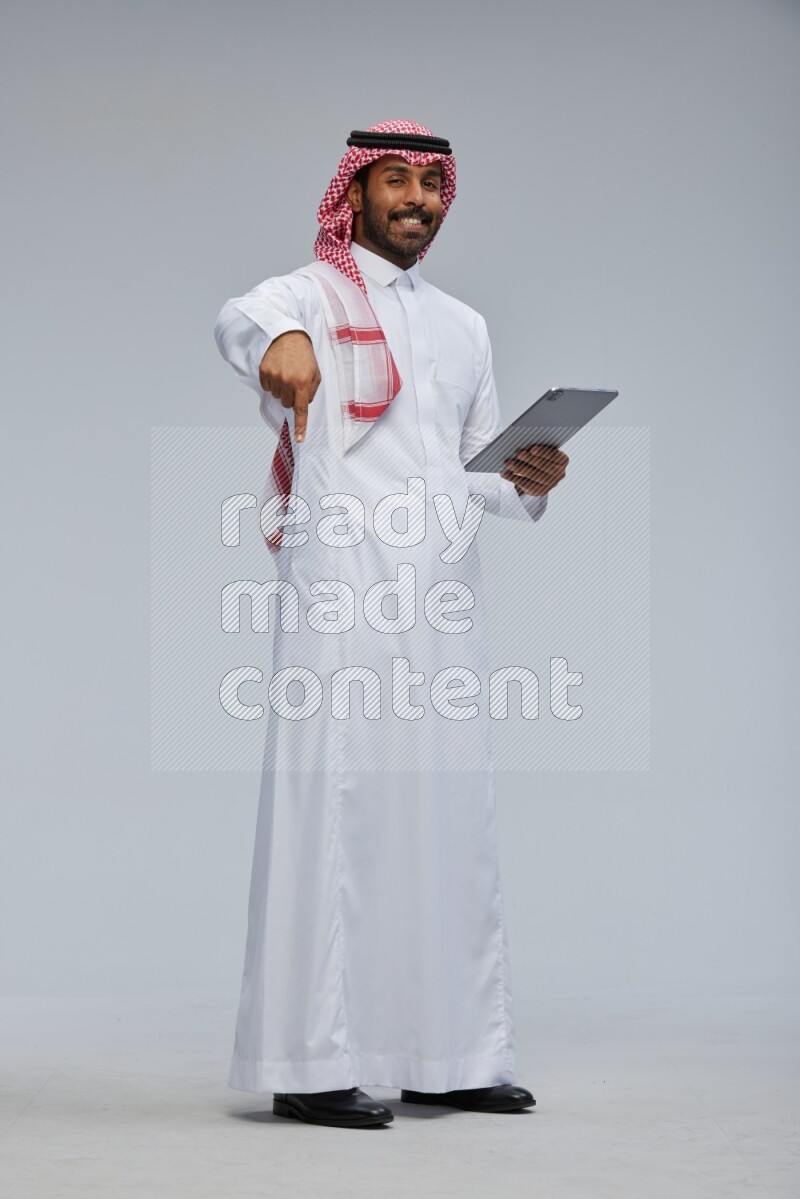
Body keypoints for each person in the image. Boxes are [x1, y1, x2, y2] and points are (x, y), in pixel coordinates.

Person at [213, 119, 568, 1129]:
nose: (415, 200)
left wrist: (525, 474)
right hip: (338, 588)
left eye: (431, 186)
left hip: (440, 596)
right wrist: (278, 344)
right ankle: (309, 1058)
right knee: (334, 812)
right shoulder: (304, 295)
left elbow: (477, 466)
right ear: (355, 192)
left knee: (448, 817)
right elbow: (236, 320)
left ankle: (452, 1052)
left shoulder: (463, 324)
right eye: (395, 182)